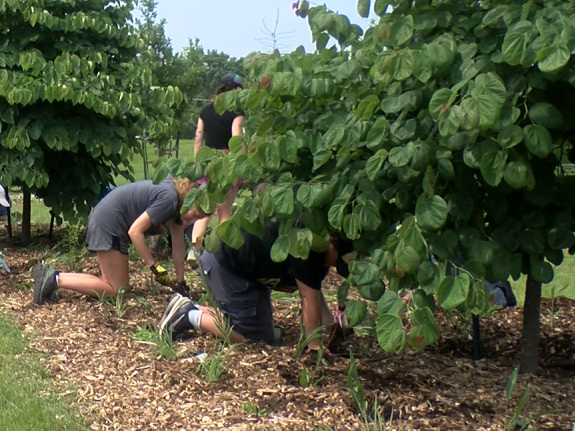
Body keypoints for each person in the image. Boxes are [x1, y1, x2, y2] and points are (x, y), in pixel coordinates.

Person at [158, 220, 354, 351]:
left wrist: (330, 328)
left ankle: (190, 307)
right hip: (226, 263)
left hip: (250, 274)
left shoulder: (321, 255)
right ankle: (189, 315)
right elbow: (308, 298)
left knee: (265, 334)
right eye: (338, 260)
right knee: (253, 338)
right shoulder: (306, 249)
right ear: (332, 243)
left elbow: (315, 292)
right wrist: (314, 345)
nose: (335, 266)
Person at [31, 177, 205, 304]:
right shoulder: (169, 200)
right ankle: (55, 279)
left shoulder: (175, 199)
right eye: (195, 214)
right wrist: (153, 266)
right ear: (189, 197)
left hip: (110, 221)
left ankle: (52, 275)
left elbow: (178, 244)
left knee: (111, 283)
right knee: (117, 289)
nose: (191, 221)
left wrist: (181, 283)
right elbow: (135, 231)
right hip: (110, 223)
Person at [191, 74, 246, 249]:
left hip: (207, 161)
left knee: (204, 209)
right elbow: (237, 135)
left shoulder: (206, 110)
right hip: (227, 163)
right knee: (225, 211)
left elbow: (199, 135)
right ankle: (223, 252)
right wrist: (242, 164)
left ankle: (194, 250)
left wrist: (197, 161)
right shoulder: (236, 112)